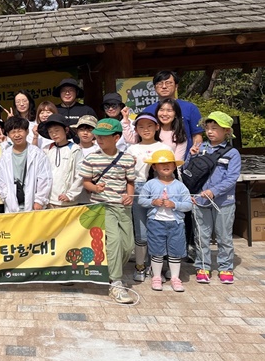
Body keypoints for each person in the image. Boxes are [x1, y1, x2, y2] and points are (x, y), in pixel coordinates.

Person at [79, 118, 136, 304]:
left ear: (116, 138)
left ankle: (112, 270)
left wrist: (130, 196)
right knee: (114, 241)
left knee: (128, 245)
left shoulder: (127, 158)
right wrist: (95, 188)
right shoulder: (91, 158)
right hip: (102, 206)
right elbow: (86, 182)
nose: (99, 139)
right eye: (98, 136)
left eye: (104, 136)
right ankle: (116, 282)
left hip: (123, 207)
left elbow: (130, 181)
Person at [190, 111, 241, 285]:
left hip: (224, 202)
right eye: (208, 128)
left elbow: (232, 178)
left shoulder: (232, 153)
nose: (210, 132)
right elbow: (189, 173)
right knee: (201, 236)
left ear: (226, 131)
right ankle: (203, 266)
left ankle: (226, 267)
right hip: (200, 200)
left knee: (224, 236)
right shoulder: (200, 148)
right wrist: (192, 156)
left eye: (215, 128)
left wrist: (214, 191)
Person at [123, 113, 171, 282]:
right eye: (141, 127)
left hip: (160, 188)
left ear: (157, 127)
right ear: (136, 130)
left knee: (158, 229)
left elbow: (172, 172)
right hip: (138, 188)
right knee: (141, 230)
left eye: (150, 126)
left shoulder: (164, 148)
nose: (146, 130)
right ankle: (140, 265)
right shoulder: (131, 149)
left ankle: (156, 267)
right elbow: (126, 174)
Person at [138, 150, 192, 292]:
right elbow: (141, 200)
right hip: (156, 222)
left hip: (176, 223)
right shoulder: (150, 184)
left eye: (169, 163)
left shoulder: (180, 186)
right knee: (157, 250)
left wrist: (175, 205)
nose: (166, 166)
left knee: (175, 250)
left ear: (174, 166)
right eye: (161, 164)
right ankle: (156, 276)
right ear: (154, 167)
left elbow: (188, 204)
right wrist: (152, 202)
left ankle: (175, 277)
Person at [0, 116, 52, 212]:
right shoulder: (5, 156)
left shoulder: (37, 154)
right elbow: (1, 181)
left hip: (34, 205)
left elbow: (45, 178)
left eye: (20, 131)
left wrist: (39, 200)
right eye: (13, 132)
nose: (17, 135)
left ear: (27, 132)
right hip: (12, 206)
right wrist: (7, 198)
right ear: (8, 135)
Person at [142, 71, 203, 154]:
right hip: (154, 158)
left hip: (185, 159)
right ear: (155, 88)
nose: (164, 86)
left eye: (168, 83)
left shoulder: (190, 108)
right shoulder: (147, 111)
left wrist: (196, 153)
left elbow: (197, 135)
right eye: (160, 83)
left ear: (176, 86)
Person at [38, 114, 83, 208]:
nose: (54, 134)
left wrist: (70, 195)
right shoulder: (46, 149)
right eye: (50, 132)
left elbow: (80, 175)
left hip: (66, 201)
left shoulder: (75, 149)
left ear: (66, 130)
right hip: (48, 200)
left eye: (57, 130)